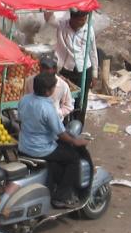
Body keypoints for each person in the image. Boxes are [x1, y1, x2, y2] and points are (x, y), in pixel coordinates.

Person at [18, 73, 88, 209]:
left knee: (60, 155)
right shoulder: (47, 108)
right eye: (53, 88)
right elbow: (61, 134)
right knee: (73, 158)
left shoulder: (24, 100)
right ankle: (62, 197)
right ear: (48, 91)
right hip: (41, 149)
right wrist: (76, 142)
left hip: (23, 146)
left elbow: (20, 120)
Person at [45, 10, 98, 100]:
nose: (83, 23)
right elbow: (49, 19)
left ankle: (79, 114)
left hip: (84, 70)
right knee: (64, 99)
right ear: (72, 18)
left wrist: (94, 74)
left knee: (81, 99)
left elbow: (92, 51)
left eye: (85, 19)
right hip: (66, 69)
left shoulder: (88, 29)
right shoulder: (62, 26)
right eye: (80, 20)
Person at [21, 55, 74, 120]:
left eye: (47, 68)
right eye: (42, 67)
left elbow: (68, 106)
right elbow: (25, 99)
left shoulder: (63, 85)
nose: (43, 70)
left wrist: (57, 113)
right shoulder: (30, 81)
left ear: (55, 69)